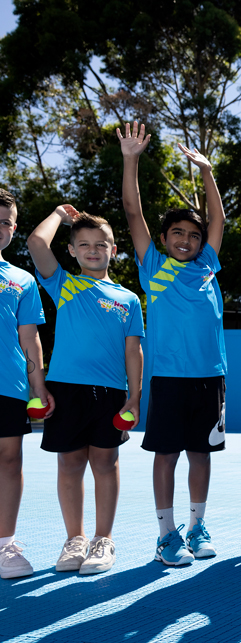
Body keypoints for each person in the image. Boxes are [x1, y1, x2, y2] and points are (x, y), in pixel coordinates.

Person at [118, 121, 227, 567]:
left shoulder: (208, 267)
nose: (186, 240)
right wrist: (131, 160)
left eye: (194, 235)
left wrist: (206, 172)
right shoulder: (153, 269)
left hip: (210, 378)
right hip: (167, 378)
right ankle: (167, 536)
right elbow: (130, 210)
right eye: (177, 234)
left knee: (201, 454)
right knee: (167, 454)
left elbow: (218, 218)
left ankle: (197, 526)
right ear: (164, 240)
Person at [26, 207, 144, 575]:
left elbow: (133, 351)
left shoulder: (128, 299)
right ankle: (74, 540)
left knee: (105, 465)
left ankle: (103, 540)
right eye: (84, 244)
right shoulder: (65, 284)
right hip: (66, 391)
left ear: (114, 249)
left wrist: (134, 397)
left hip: (110, 394)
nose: (93, 250)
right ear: (73, 250)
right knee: (70, 465)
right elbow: (35, 242)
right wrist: (60, 214)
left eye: (100, 244)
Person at [0, 188, 52, 579]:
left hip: (10, 386)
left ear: (14, 229)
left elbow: (29, 337)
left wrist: (39, 386)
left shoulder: (22, 279)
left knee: (10, 460)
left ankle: (4, 544)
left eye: (5, 222)